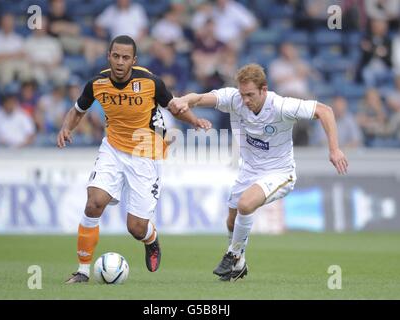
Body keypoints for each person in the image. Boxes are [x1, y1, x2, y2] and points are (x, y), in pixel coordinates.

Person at [169, 63, 348, 281]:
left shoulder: (282, 106)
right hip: (249, 171)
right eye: (243, 94)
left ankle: (233, 255)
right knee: (231, 221)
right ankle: (240, 264)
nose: (245, 100)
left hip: (279, 173)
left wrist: (334, 149)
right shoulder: (234, 98)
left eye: (251, 95)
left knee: (245, 204)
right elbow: (198, 98)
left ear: (264, 89)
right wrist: (183, 100)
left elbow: (325, 111)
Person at [57, 35, 211, 284]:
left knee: (136, 227)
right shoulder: (97, 83)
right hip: (113, 148)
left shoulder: (150, 82)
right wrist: (67, 128)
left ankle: (151, 239)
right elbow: (78, 110)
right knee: (94, 203)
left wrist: (195, 121)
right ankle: (83, 271)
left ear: (134, 60)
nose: (120, 62)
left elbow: (174, 107)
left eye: (125, 57)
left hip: (146, 153)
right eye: (115, 56)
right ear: (109, 56)